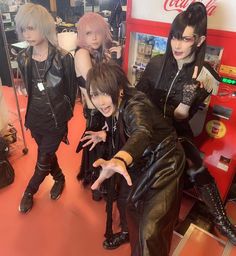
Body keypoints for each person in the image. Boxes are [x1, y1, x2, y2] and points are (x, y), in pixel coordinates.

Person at [136, 2, 236, 244]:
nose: (177, 45)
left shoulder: (206, 75)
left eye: (185, 39)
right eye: (174, 37)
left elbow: (186, 119)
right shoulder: (157, 63)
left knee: (196, 163)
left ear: (200, 41)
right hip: (149, 127)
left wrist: (186, 103)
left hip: (177, 131)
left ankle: (222, 222)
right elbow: (137, 100)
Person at [82, 62, 185, 255]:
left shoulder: (136, 105)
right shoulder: (114, 105)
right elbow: (124, 126)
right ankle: (128, 233)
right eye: (95, 94)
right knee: (128, 205)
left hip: (165, 162)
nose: (101, 101)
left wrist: (120, 159)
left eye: (106, 93)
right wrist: (105, 135)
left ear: (119, 89)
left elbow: (142, 132)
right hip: (139, 160)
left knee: (150, 231)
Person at [15, 3, 76, 213]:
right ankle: (59, 178)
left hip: (55, 120)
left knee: (42, 160)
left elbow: (71, 91)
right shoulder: (23, 57)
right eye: (23, 29)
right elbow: (28, 86)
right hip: (34, 118)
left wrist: (64, 117)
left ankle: (29, 191)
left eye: (32, 27)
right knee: (47, 155)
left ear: (44, 26)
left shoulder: (64, 57)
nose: (27, 34)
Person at [74, 12, 122, 200]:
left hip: (102, 107)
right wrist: (113, 62)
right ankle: (97, 185)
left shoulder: (99, 52)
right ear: (81, 36)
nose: (93, 38)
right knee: (97, 145)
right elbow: (97, 85)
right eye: (88, 33)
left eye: (97, 33)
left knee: (103, 143)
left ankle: (101, 181)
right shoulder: (82, 53)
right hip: (95, 110)